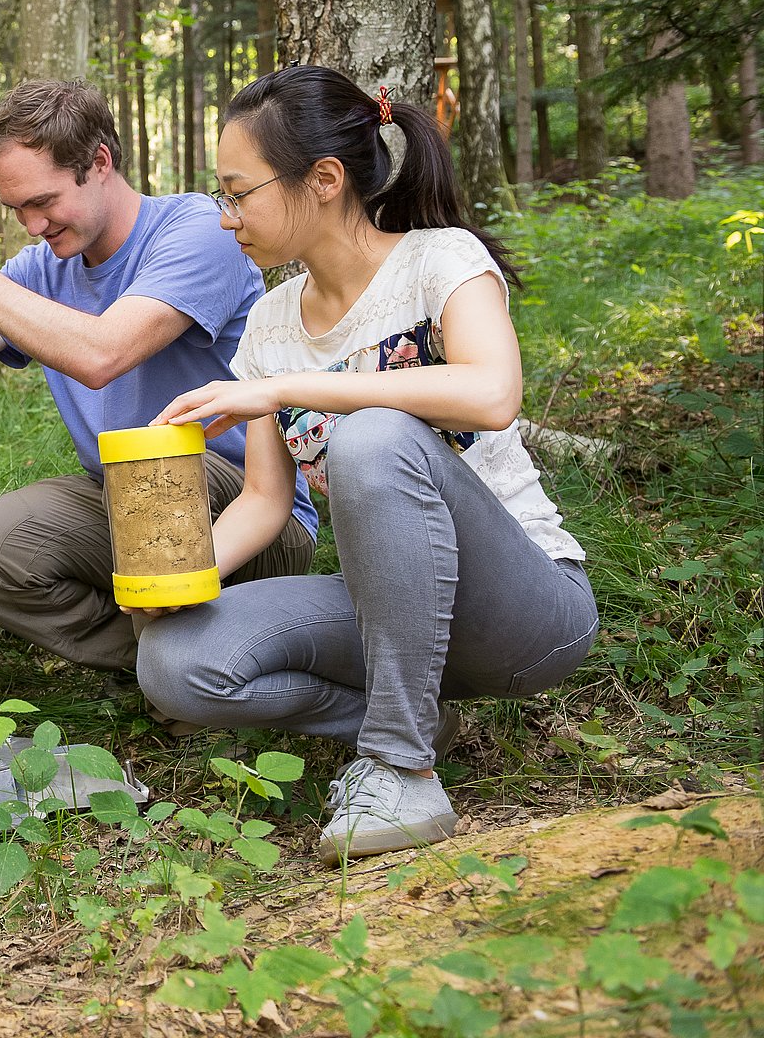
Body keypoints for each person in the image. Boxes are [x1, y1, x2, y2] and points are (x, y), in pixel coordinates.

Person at [132, 66, 597, 864]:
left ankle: (400, 766)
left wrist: (288, 388)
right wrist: (170, 579)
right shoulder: (272, 323)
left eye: (239, 193)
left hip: (527, 610)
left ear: (323, 179)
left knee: (372, 434)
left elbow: (491, 394)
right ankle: (415, 718)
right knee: (175, 663)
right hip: (391, 610)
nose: (225, 216)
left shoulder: (440, 261)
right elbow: (266, 501)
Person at [0, 80, 317, 686]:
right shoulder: (43, 268)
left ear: (99, 162)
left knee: (148, 472)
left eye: (43, 201)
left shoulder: (199, 231)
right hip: (122, 491)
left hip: (248, 508)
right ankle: (167, 657)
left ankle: (197, 662)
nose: (32, 225)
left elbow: (102, 354)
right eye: (16, 209)